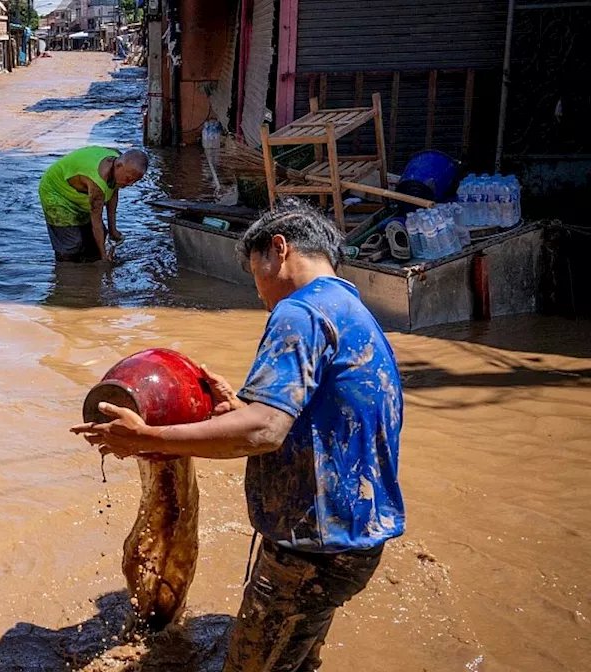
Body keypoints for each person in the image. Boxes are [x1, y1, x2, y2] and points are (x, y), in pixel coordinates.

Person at [72, 202, 405, 671]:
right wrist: (241, 409)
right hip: (352, 539)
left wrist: (147, 437)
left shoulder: (300, 312)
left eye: (255, 275)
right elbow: (316, 419)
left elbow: (264, 432)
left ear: (280, 250)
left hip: (311, 550)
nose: (260, 294)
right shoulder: (351, 310)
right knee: (295, 660)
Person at [39, 146, 148, 262]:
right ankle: (65, 271)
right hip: (55, 192)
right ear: (118, 166)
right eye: (128, 179)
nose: (130, 184)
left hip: (79, 193)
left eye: (135, 181)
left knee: (92, 242)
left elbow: (113, 193)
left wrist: (113, 229)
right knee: (71, 245)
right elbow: (96, 221)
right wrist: (104, 257)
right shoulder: (97, 183)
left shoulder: (117, 160)